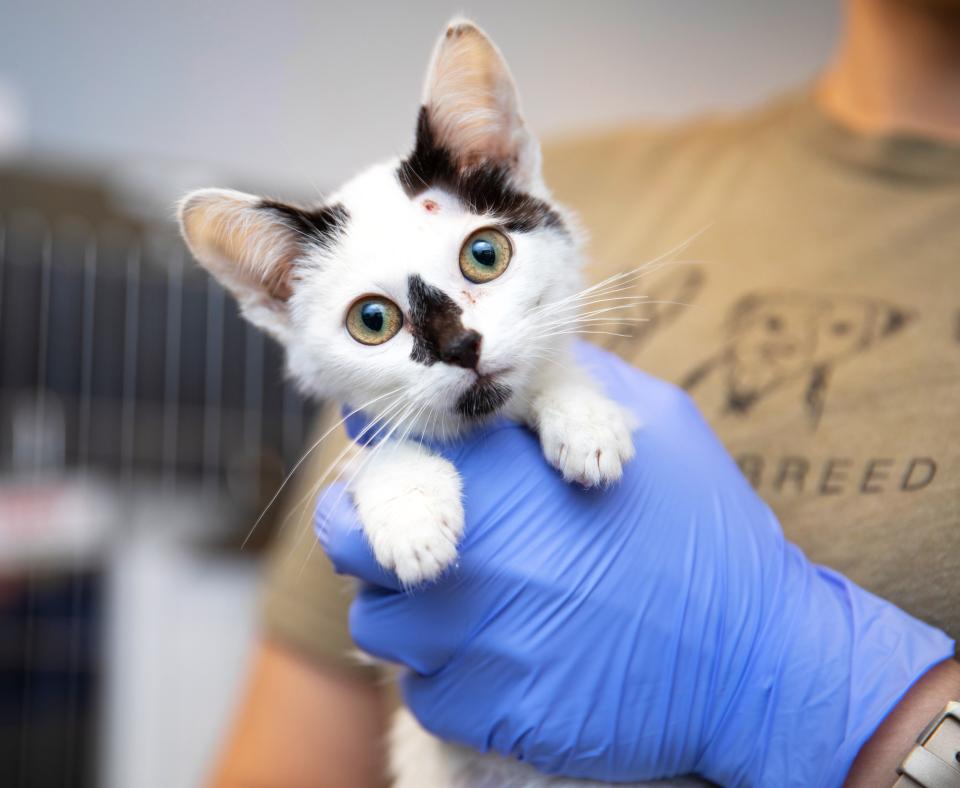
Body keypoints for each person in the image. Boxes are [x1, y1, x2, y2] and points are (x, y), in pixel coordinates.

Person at [208, 1, 960, 785]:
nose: (461, 343)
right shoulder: (560, 189)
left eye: (484, 259)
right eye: (373, 318)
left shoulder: (504, 199)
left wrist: (839, 701)